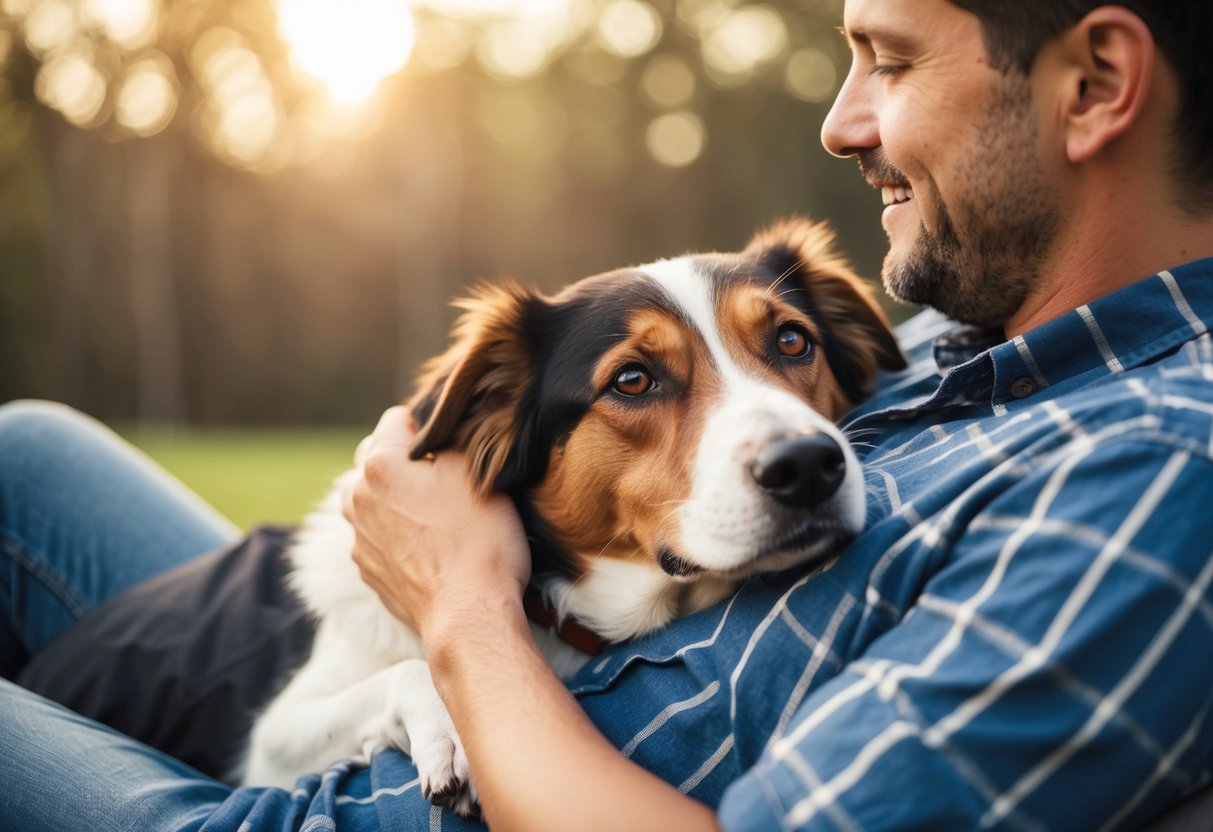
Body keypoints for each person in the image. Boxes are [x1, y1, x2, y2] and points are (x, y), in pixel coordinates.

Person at [3, 0, 1212, 828]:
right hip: (405, 677)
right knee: (29, 455)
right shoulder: (983, 327)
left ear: (1096, 84)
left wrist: (459, 609)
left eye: (889, 61)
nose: (840, 123)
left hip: (336, 804)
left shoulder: (1153, 468)